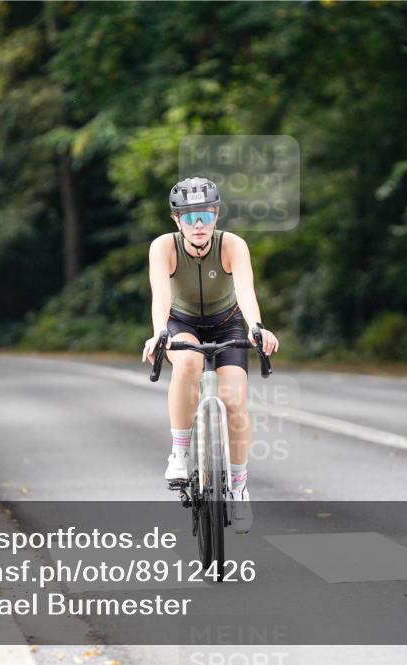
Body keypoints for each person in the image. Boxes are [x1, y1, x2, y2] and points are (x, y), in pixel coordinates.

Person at [141, 177, 279, 534]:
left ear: (216, 215)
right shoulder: (163, 247)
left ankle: (239, 485)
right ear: (176, 221)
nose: (198, 224)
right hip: (180, 321)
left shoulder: (232, 245)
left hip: (228, 322)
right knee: (188, 362)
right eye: (189, 217)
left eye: (204, 214)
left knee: (234, 401)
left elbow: (245, 289)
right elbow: (160, 294)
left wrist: (256, 327)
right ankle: (179, 453)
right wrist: (159, 332)